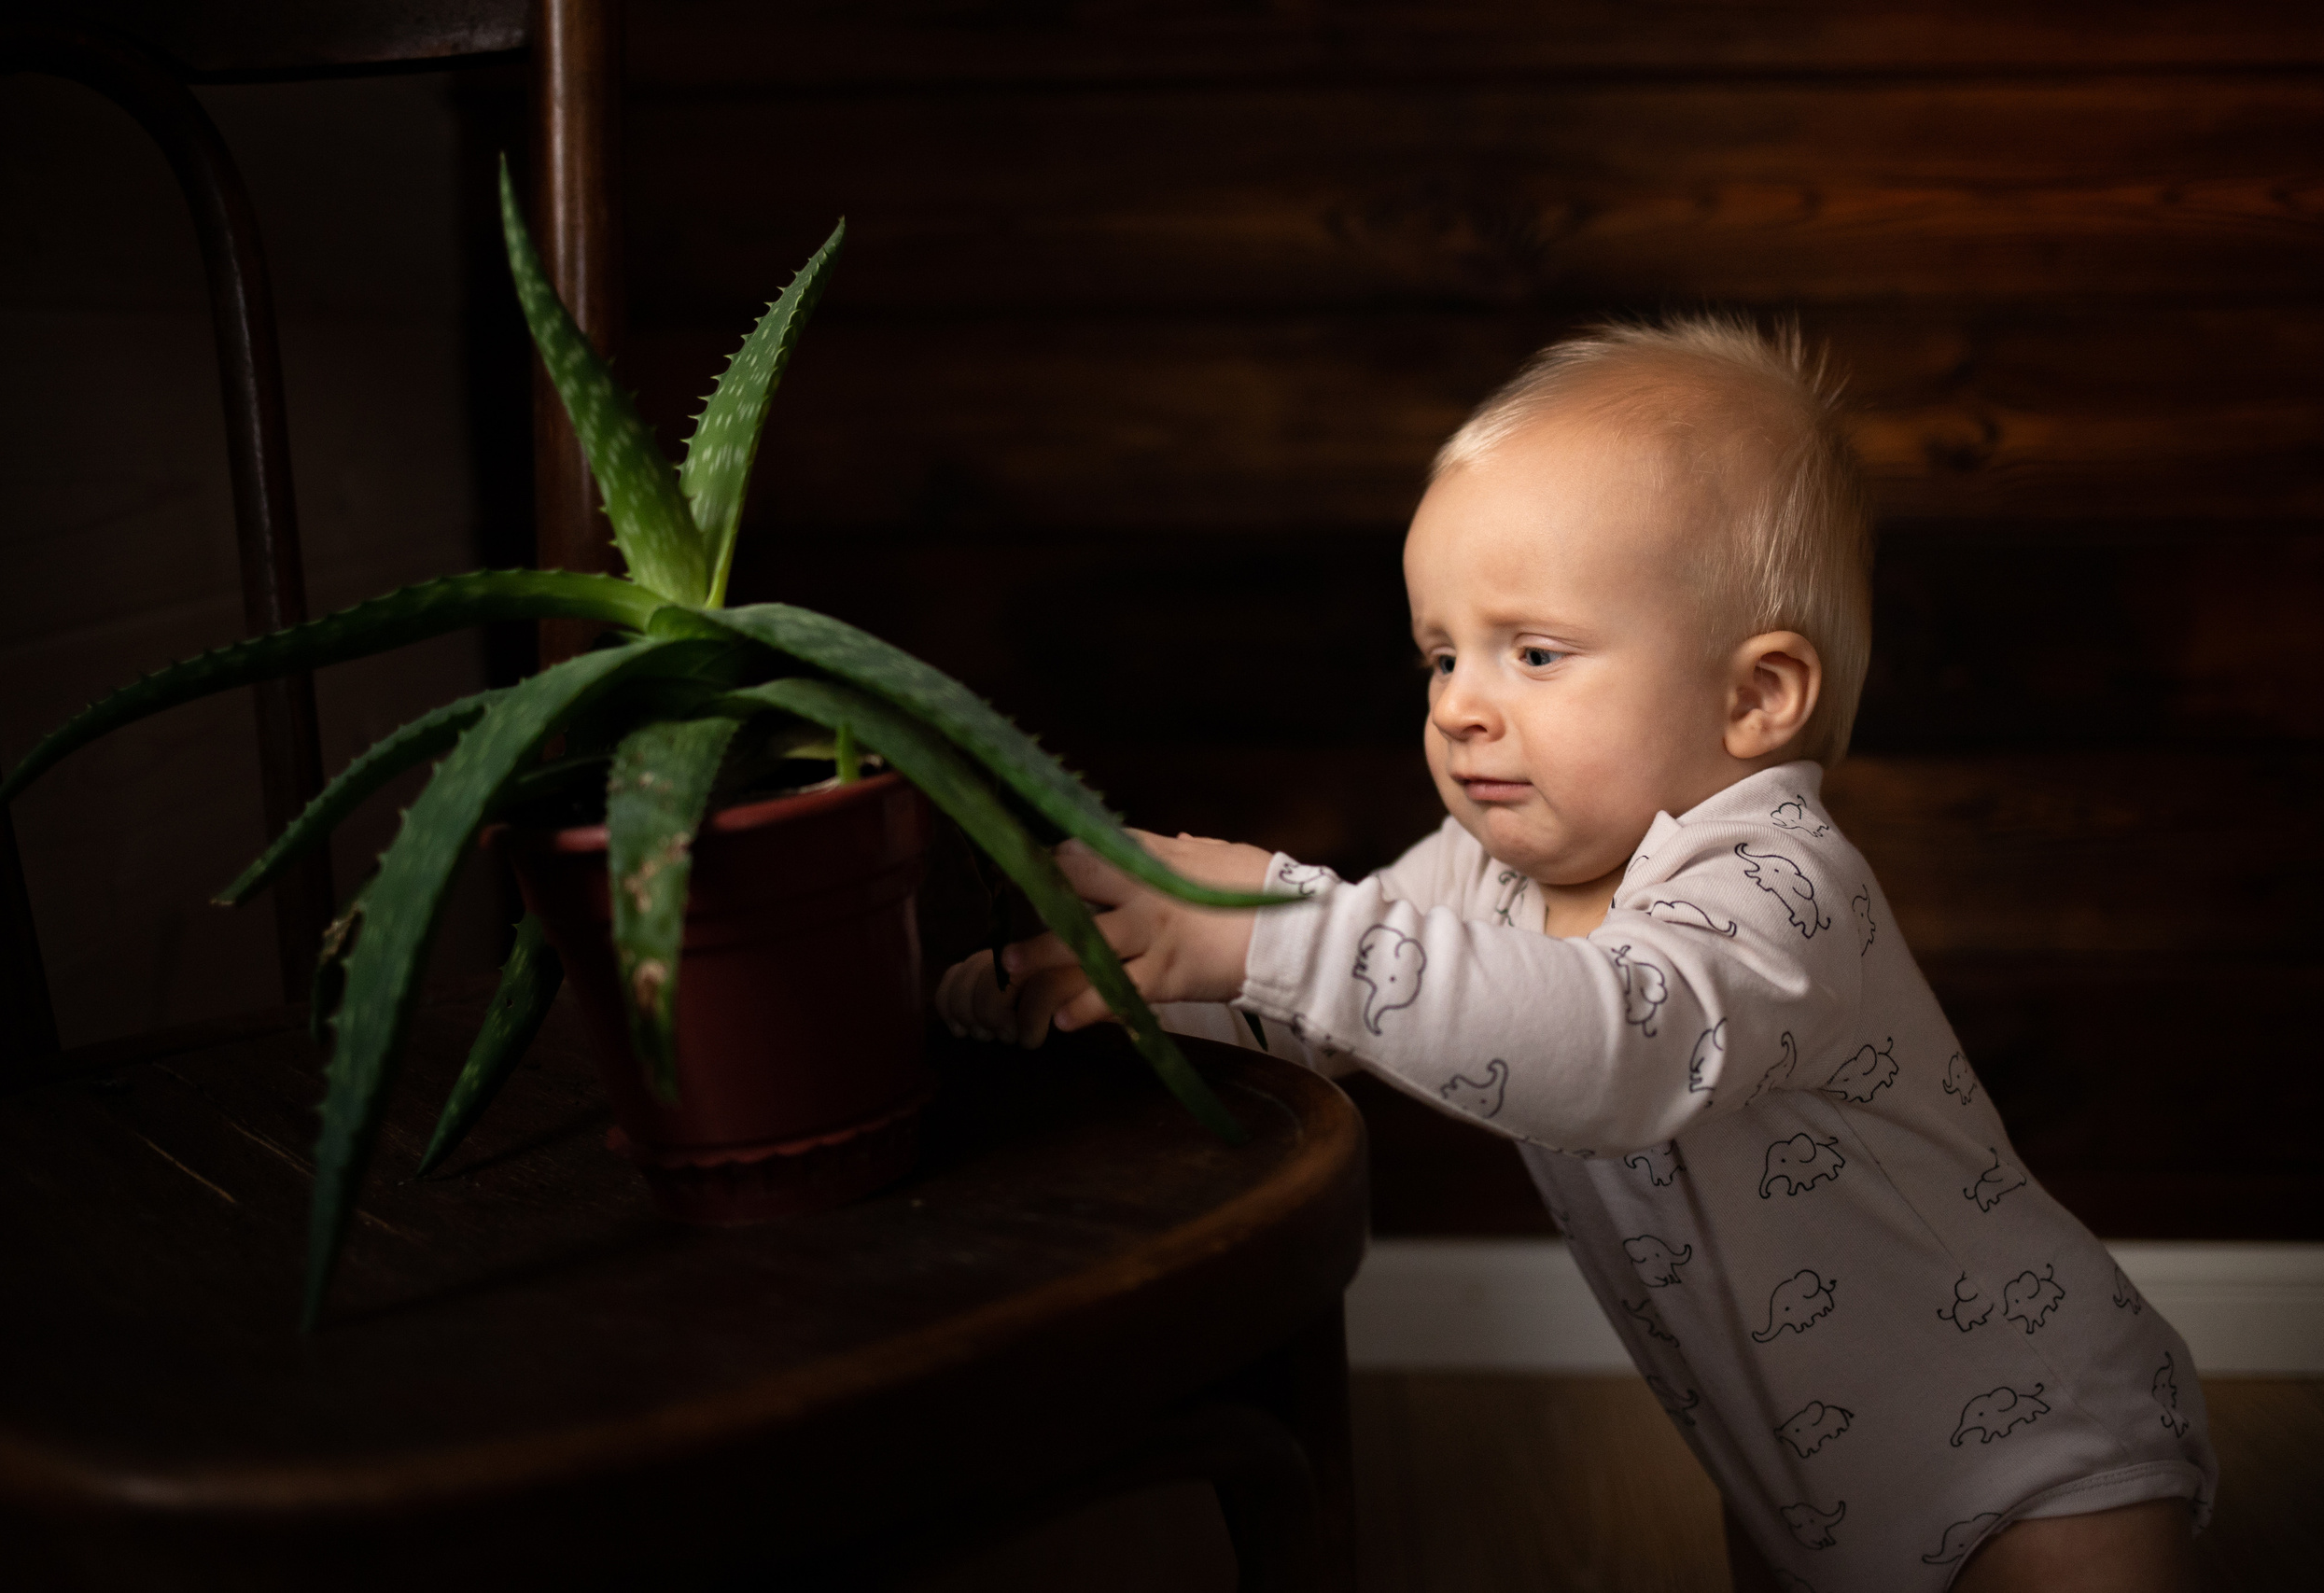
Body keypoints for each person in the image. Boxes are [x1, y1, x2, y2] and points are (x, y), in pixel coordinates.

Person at [934, 316, 2216, 1591]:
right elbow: (1321, 1010)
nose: (1457, 704)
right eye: (1441, 653)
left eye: (1533, 652)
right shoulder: (1487, 871)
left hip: (2038, 1453)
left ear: (1755, 698)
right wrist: (1131, 979)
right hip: (1798, 1477)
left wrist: (1275, 918)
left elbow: (1616, 1042)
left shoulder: (1779, 880)